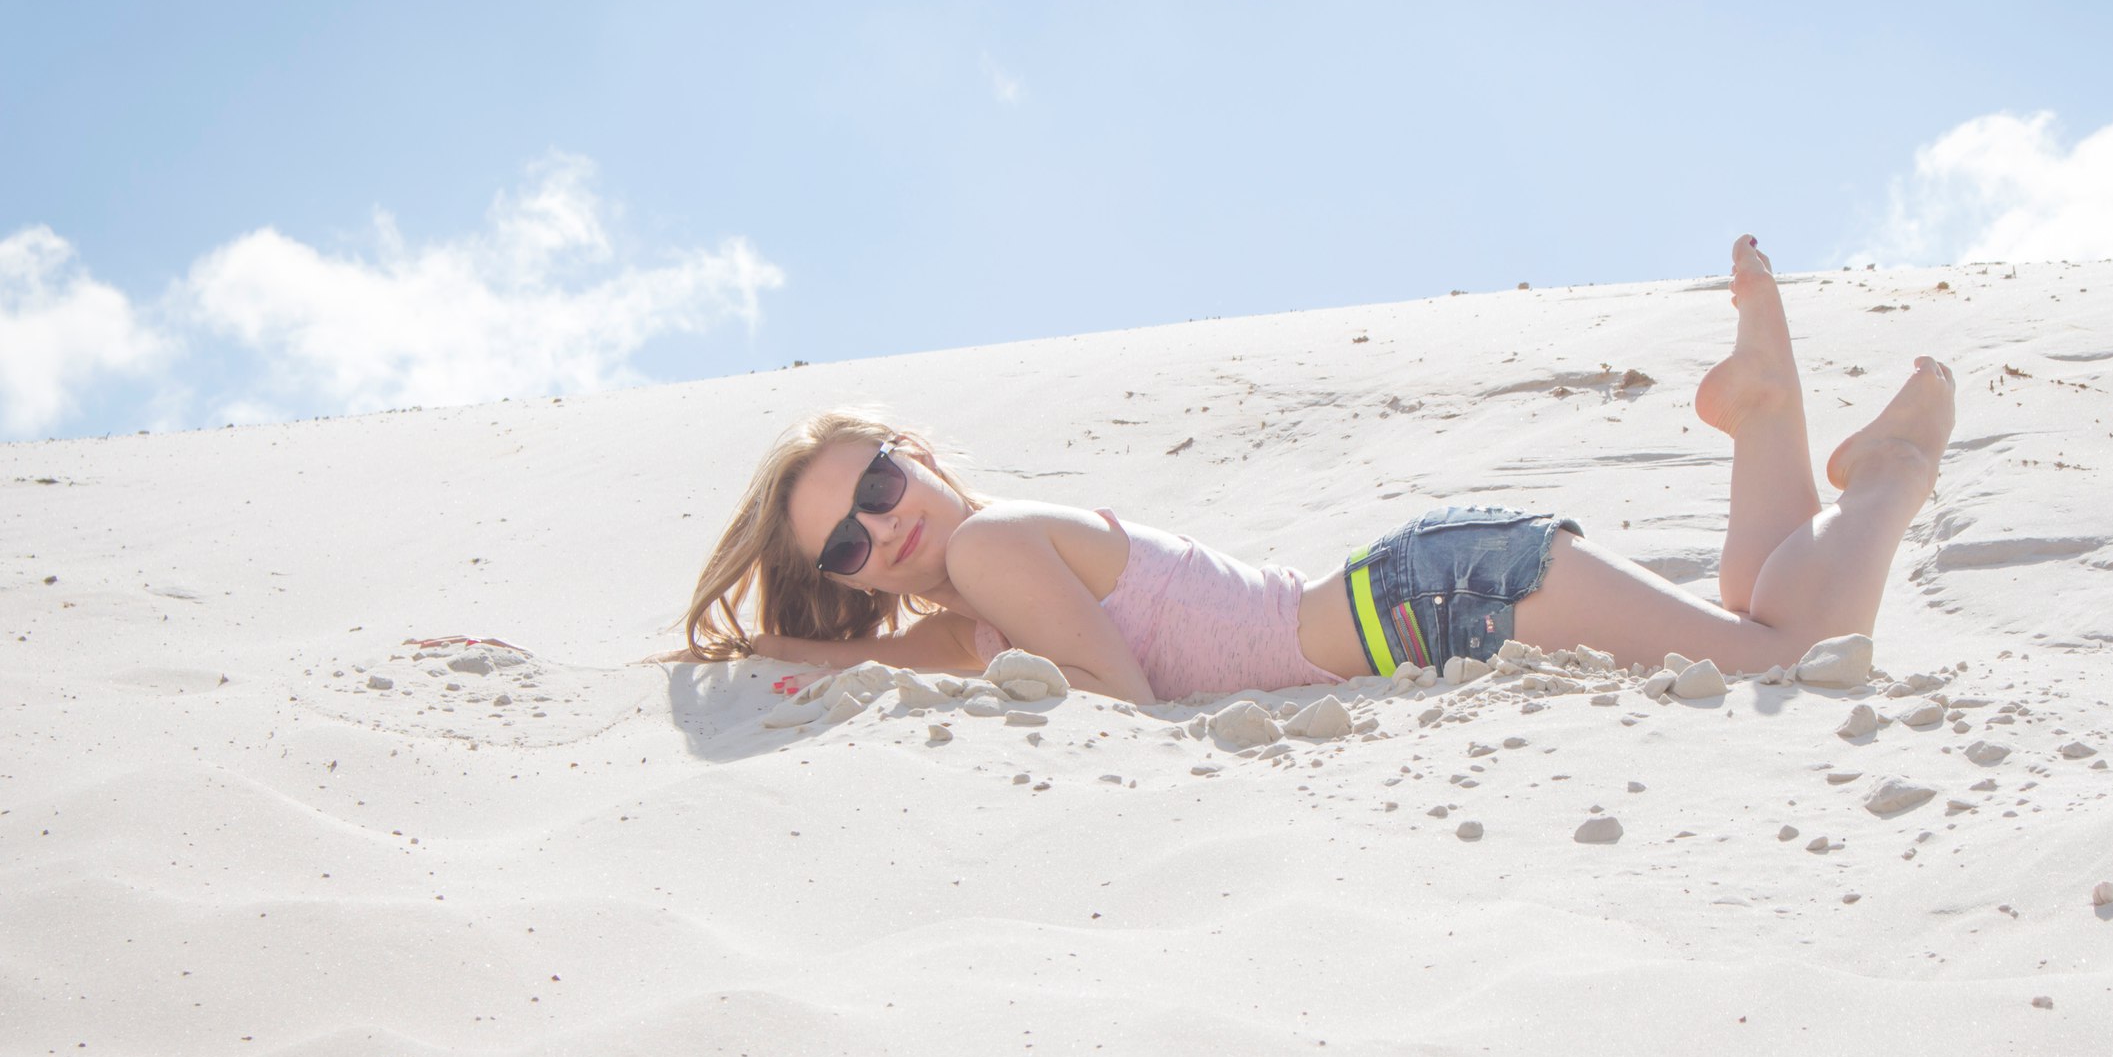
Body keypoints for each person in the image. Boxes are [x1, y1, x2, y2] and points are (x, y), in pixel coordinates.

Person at [674, 236, 1955, 705]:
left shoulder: (988, 546)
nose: (881, 529)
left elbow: (1117, 695)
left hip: (1436, 601)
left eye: (877, 487)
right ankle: (1765, 414)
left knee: (1789, 663)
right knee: (1756, 625)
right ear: (847, 581)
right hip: (1423, 593)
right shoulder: (979, 602)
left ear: (915, 460)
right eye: (846, 544)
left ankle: (1892, 473)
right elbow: (913, 658)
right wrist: (768, 651)